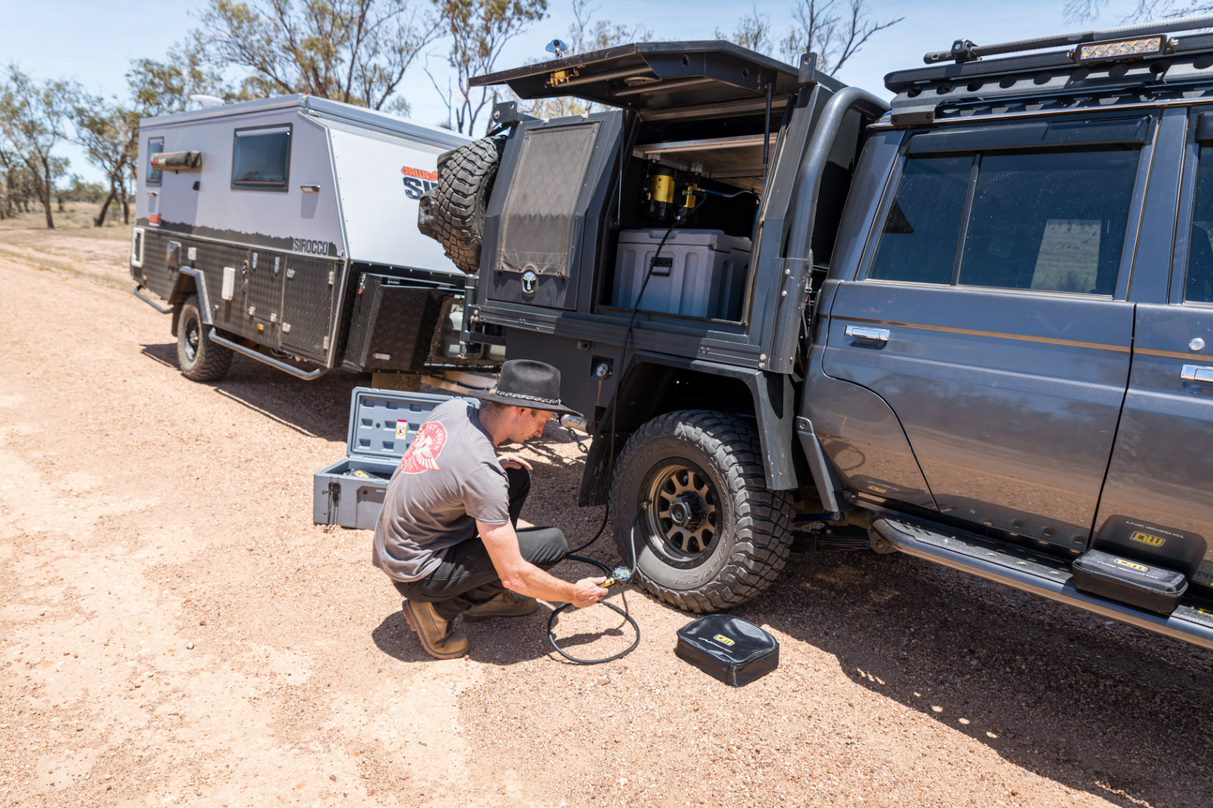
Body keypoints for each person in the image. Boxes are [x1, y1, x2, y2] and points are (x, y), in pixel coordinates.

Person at [372, 359, 607, 659]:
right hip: (418, 572)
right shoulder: (481, 473)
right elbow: (515, 575)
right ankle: (435, 611)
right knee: (552, 544)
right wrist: (573, 594)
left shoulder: (455, 409)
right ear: (520, 410)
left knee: (515, 478)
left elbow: (448, 465)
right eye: (543, 420)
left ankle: (484, 597)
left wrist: (492, 470)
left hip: (399, 548)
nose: (542, 430)